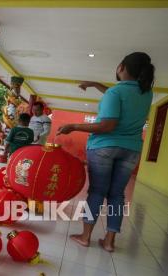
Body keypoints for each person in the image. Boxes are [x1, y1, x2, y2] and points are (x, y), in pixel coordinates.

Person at [57, 52, 154, 252]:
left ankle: (86, 237)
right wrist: (95, 85)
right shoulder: (146, 93)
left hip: (104, 148)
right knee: (117, 195)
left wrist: (73, 126)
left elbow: (107, 125)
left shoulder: (115, 93)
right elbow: (119, 95)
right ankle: (109, 241)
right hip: (131, 149)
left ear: (121, 67)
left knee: (97, 192)